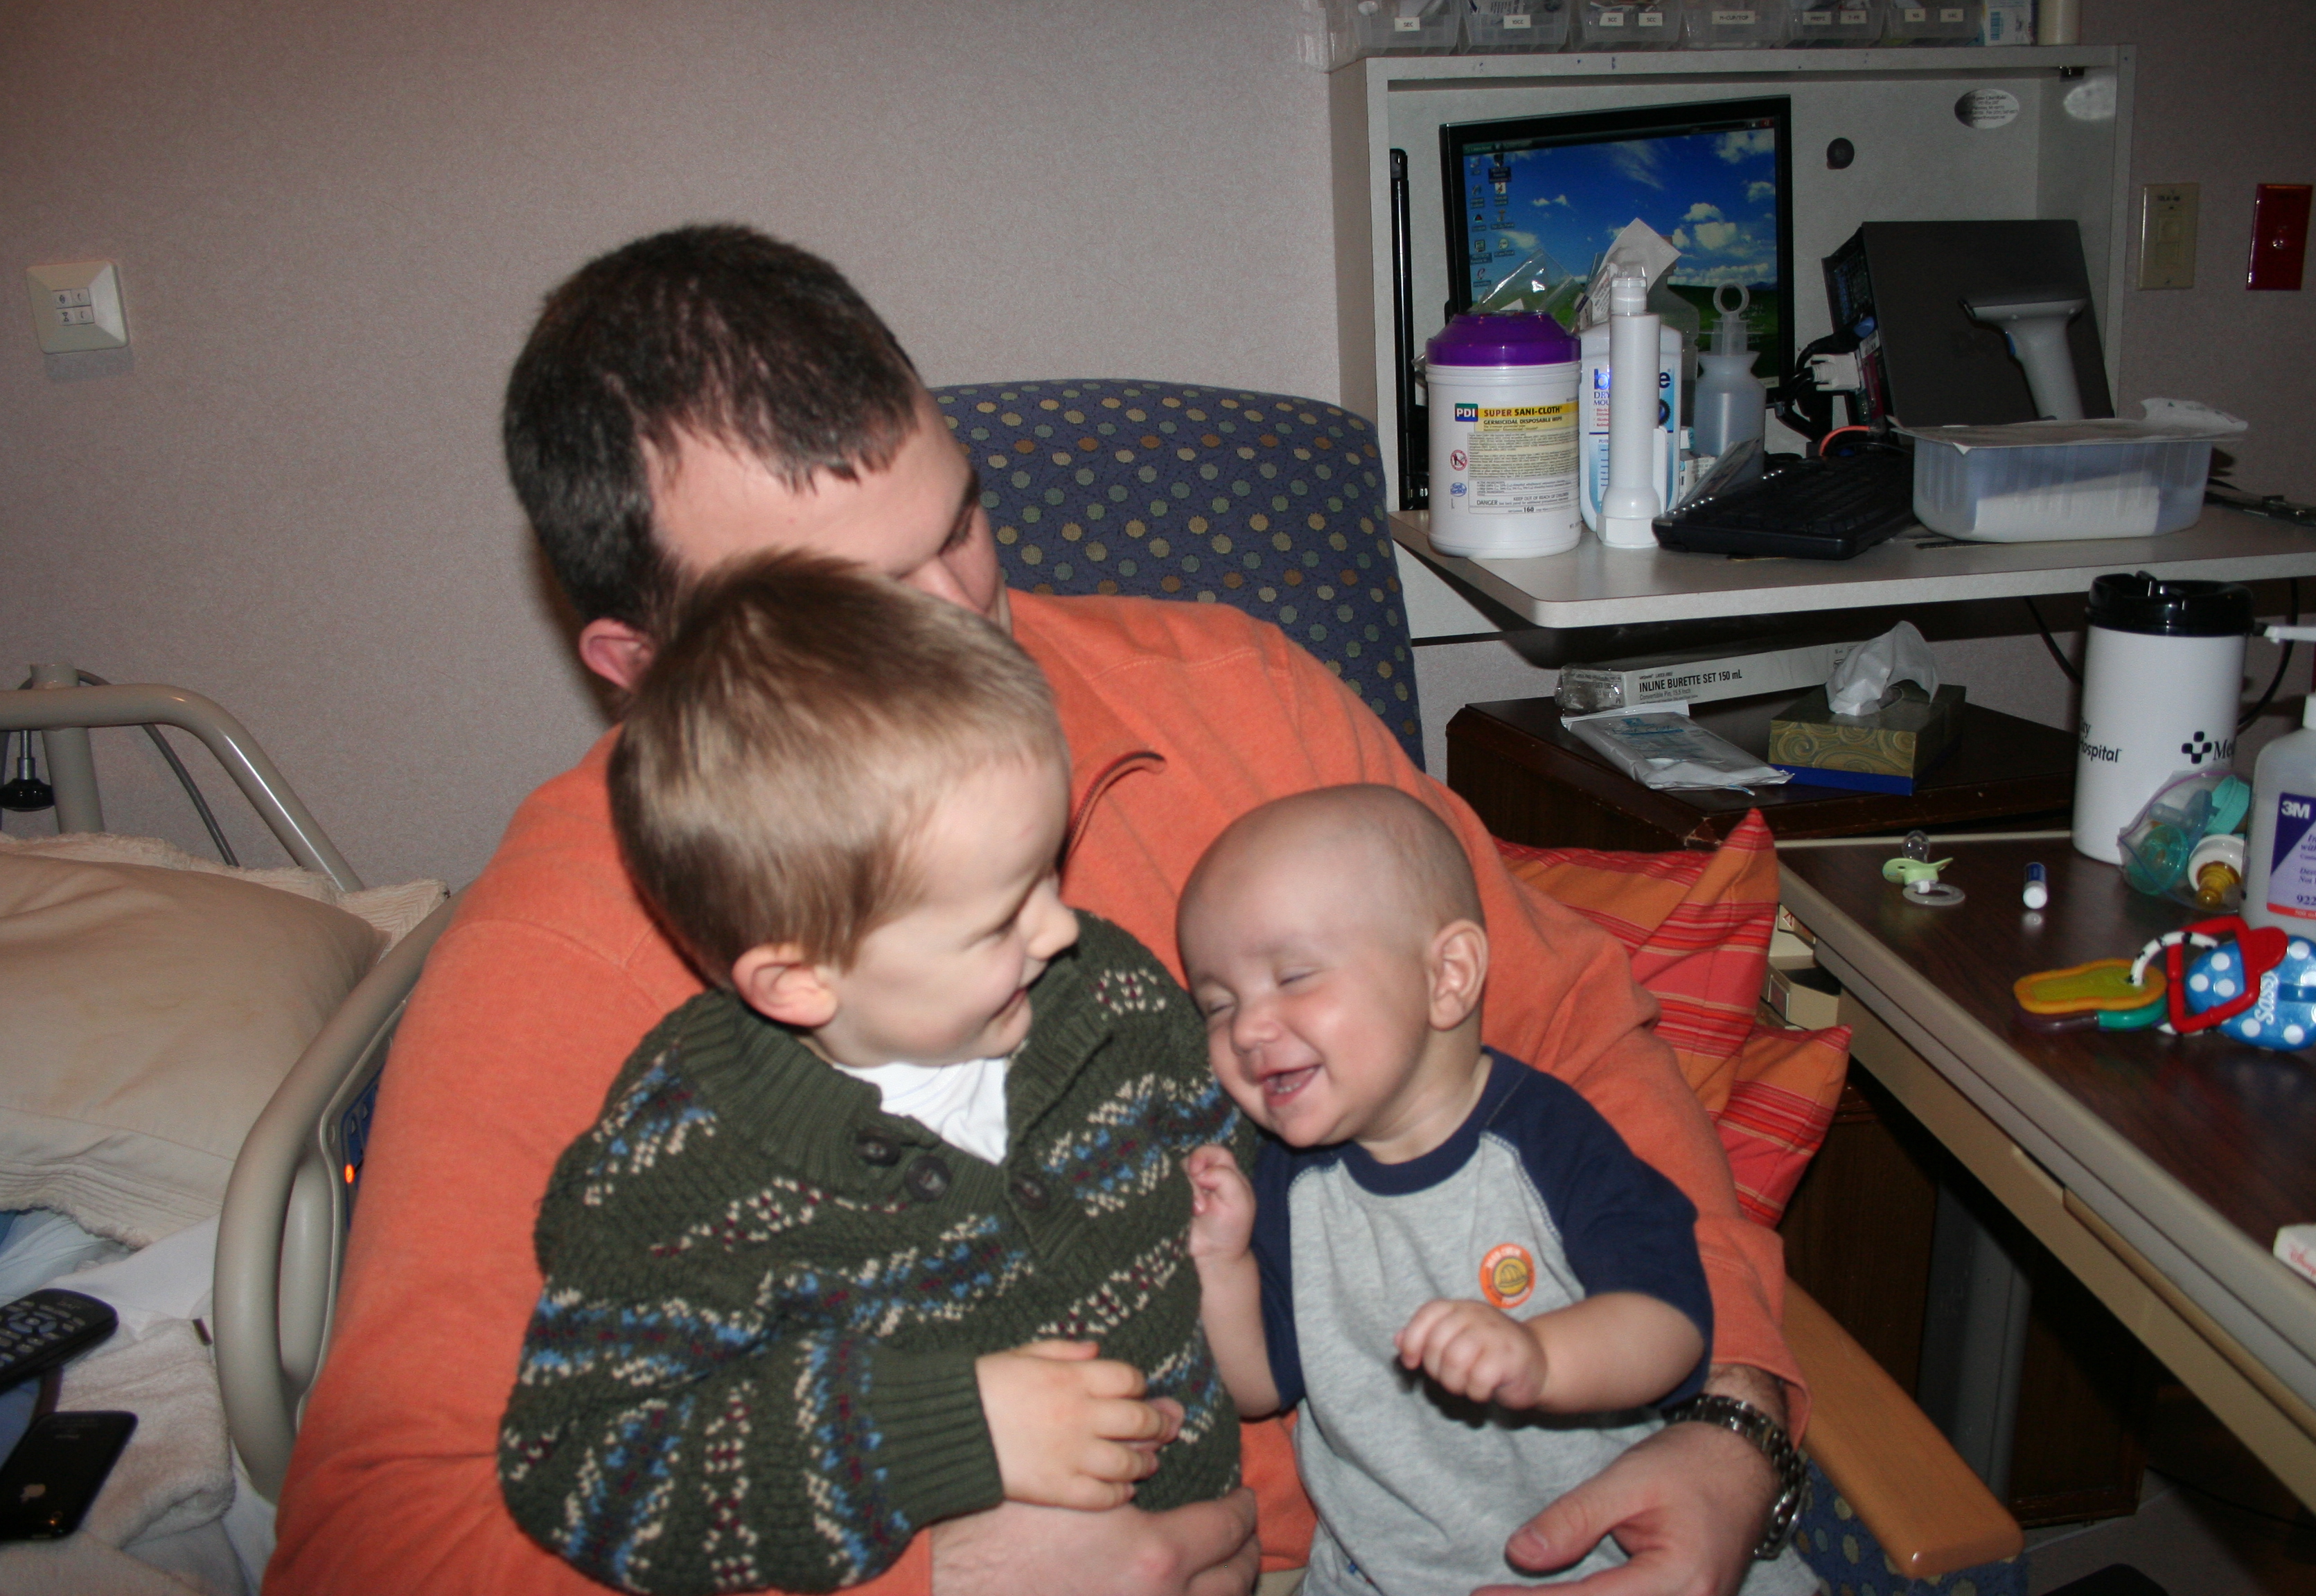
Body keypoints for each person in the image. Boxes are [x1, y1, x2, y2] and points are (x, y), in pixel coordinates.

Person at [267, 224, 1806, 1596]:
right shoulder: (560, 948)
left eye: (957, 525)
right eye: (847, 605)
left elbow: (1568, 1029)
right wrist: (929, 1576)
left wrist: (1735, 1414)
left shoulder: (1239, 696)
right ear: (643, 667)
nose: (964, 623)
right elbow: (373, 1541)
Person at [497, 554, 1244, 1593]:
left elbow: (1260, 1159)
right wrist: (942, 1430)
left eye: (1048, 869)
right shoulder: (687, 1166)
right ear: (800, 981)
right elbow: (582, 1466)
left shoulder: (1106, 997)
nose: (1060, 927)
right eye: (1000, 917)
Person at [1180, 787, 1815, 1595]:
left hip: (1607, 1559)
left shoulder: (1549, 1138)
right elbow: (1261, 1384)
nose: (1245, 1030)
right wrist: (1220, 1264)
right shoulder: (1290, 1181)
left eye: (1293, 977)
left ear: (1447, 975)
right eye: (1218, 1006)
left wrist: (1544, 1357)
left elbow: (1673, 1326)